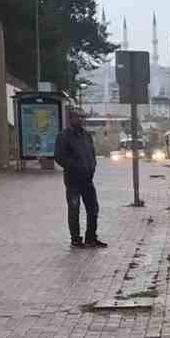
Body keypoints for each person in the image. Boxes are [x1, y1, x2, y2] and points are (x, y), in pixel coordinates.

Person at [53, 106, 106, 248]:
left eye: (83, 117)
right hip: (73, 180)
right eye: (77, 116)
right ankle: (75, 239)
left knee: (93, 208)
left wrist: (92, 167)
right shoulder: (64, 136)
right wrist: (74, 167)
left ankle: (91, 237)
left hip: (87, 179)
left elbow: (92, 154)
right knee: (74, 208)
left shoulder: (86, 135)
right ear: (71, 119)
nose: (81, 119)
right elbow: (59, 156)